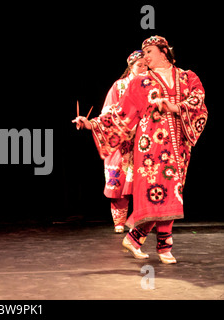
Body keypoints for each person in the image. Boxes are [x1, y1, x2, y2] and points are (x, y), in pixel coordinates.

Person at [73, 36, 207, 264]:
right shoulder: (141, 83)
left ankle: (136, 239)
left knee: (172, 194)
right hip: (151, 149)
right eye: (144, 53)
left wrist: (176, 107)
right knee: (159, 193)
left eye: (149, 52)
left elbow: (199, 102)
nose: (145, 57)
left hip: (179, 147)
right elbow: (120, 113)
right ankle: (164, 248)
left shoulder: (187, 77)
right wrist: (91, 124)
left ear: (164, 51)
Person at [101, 50, 147, 233]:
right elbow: (107, 112)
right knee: (117, 181)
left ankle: (139, 220)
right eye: (140, 65)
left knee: (144, 181)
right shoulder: (119, 86)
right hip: (120, 141)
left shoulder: (151, 86)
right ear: (131, 67)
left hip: (142, 141)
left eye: (146, 65)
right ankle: (119, 222)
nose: (144, 69)